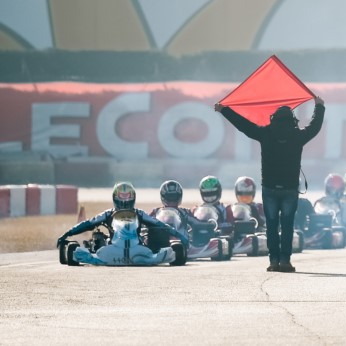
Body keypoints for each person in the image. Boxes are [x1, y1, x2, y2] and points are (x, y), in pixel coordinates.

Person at [215, 98, 325, 273]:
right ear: (293, 121)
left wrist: (224, 110)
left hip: (270, 188)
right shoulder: (298, 136)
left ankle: (273, 261)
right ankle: (285, 261)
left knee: (272, 226)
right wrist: (319, 106)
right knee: (287, 226)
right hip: (290, 189)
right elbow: (315, 127)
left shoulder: (265, 133)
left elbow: (243, 125)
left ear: (274, 119)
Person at [58, 181, 189, 252]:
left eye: (127, 197)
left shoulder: (139, 213)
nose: (125, 200)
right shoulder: (108, 214)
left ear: (132, 197)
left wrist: (179, 236)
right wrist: (68, 233)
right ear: (116, 197)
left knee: (156, 232)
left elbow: (160, 224)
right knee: (96, 237)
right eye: (122, 197)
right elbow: (89, 223)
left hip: (138, 246)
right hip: (112, 246)